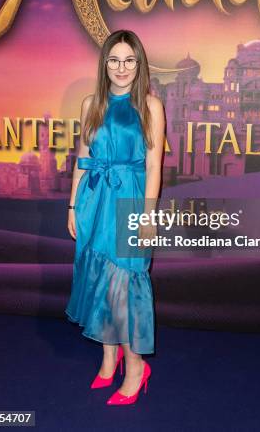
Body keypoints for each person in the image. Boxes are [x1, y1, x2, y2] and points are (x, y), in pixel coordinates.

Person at [65, 29, 165, 406]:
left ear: (138, 64)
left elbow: (154, 167)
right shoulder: (91, 103)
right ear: (104, 63)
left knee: (125, 283)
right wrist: (73, 206)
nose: (121, 68)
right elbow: (83, 159)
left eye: (129, 60)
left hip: (130, 200)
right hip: (95, 199)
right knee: (99, 278)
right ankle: (110, 357)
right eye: (114, 60)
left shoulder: (150, 106)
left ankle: (136, 366)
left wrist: (147, 216)